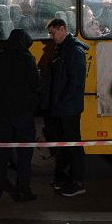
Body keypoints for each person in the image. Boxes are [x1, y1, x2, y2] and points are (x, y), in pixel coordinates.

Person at [0, 29, 42, 202]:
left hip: (1, 114)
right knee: (24, 155)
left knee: (1, 155)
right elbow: (36, 84)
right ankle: (22, 190)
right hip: (23, 114)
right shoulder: (27, 59)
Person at [43, 18, 89, 197]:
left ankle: (77, 182)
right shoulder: (62, 49)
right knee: (65, 145)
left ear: (62, 29)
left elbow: (75, 83)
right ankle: (66, 179)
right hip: (62, 107)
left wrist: (61, 101)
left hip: (68, 108)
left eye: (53, 32)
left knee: (73, 145)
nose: (51, 36)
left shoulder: (74, 51)